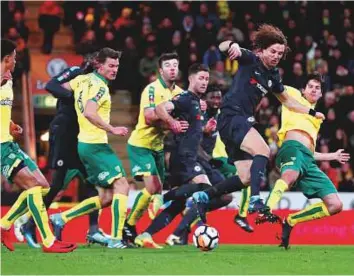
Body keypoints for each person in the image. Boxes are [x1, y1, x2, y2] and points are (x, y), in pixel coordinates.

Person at [192, 24, 325, 220]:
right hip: (232, 116)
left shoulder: (273, 76)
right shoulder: (250, 59)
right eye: (273, 51)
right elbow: (223, 46)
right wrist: (232, 45)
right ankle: (255, 199)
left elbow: (288, 101)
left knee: (245, 177)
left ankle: (204, 196)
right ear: (262, 50)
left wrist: (312, 112)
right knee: (263, 150)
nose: (276, 56)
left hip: (236, 122)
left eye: (280, 53)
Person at [16, 52, 110, 247]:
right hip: (64, 132)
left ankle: (93, 229)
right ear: (93, 63)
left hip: (80, 135)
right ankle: (29, 224)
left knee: (91, 181)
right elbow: (51, 85)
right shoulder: (76, 72)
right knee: (57, 184)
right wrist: (73, 96)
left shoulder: (97, 83)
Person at [49, 48, 132, 249]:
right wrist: (112, 128)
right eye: (111, 66)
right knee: (122, 185)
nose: (114, 70)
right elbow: (89, 112)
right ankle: (115, 239)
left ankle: (62, 218)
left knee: (105, 197)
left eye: (117, 66)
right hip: (95, 145)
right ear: (98, 65)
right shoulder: (100, 87)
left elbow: (64, 90)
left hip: (84, 143)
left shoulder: (82, 80)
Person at [0, 39, 77, 253]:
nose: (16, 62)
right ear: (7, 59)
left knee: (43, 186)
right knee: (32, 186)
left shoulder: (8, 82)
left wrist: (11, 125)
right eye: (14, 58)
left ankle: (4, 225)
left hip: (9, 142)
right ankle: (49, 240)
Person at [262, 74, 350, 249]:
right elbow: (276, 86)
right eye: (311, 86)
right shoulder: (293, 94)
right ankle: (267, 208)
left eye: (318, 88)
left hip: (307, 159)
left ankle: (291, 220)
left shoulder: (317, 118)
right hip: (291, 148)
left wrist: (331, 156)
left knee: (335, 205)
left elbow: (310, 152)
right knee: (290, 175)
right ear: (303, 89)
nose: (314, 90)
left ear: (320, 94)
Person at [134, 63, 215, 248]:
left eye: (207, 79)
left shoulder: (195, 102)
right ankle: (161, 198)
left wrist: (205, 130)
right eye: (200, 78)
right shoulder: (185, 98)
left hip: (186, 156)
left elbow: (192, 131)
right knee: (205, 187)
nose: (204, 82)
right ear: (191, 79)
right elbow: (160, 108)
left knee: (178, 205)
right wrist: (171, 122)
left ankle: (145, 235)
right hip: (183, 156)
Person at [123, 53, 183, 243]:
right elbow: (149, 117)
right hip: (141, 143)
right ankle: (128, 226)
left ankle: (129, 227)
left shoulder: (180, 93)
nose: (172, 68)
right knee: (153, 187)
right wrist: (171, 121)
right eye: (168, 65)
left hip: (158, 147)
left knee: (156, 191)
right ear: (160, 70)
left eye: (175, 64)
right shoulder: (152, 89)